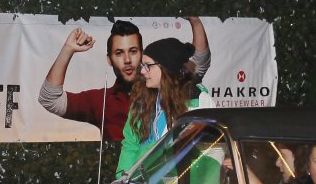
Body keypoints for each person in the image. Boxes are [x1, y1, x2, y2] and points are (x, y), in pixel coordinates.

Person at [39, 16, 211, 141]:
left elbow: (198, 64)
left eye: (133, 51)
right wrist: (67, 49)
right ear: (109, 59)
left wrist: (194, 20)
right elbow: (50, 99)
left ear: (143, 55)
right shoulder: (102, 101)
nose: (127, 60)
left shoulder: (162, 84)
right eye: (119, 53)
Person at [116, 37, 206, 175]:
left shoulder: (196, 100)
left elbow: (206, 152)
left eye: (148, 65)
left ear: (166, 67)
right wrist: (122, 178)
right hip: (140, 182)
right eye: (142, 65)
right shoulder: (142, 100)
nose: (143, 71)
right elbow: (130, 144)